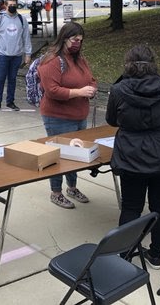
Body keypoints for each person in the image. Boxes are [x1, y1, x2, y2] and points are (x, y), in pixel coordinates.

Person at [105, 44, 160, 269]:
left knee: (131, 206)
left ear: (128, 64)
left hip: (132, 154)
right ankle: (156, 254)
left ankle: (125, 252)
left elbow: (112, 120)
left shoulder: (119, 90)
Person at [38, 22, 97, 208]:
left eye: (80, 40)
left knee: (76, 154)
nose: (78, 43)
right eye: (74, 39)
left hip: (79, 116)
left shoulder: (80, 59)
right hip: (58, 117)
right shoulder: (52, 60)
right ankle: (56, 192)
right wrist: (79, 92)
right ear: (64, 39)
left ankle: (72, 187)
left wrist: (92, 88)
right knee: (59, 156)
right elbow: (52, 90)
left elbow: (92, 79)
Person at [0, 0, 32, 112]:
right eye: (10, 5)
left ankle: (10, 102)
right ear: (5, 6)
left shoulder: (21, 19)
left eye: (14, 5)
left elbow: (26, 37)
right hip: (2, 55)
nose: (12, 7)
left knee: (12, 79)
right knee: (0, 79)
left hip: (16, 55)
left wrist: (28, 54)